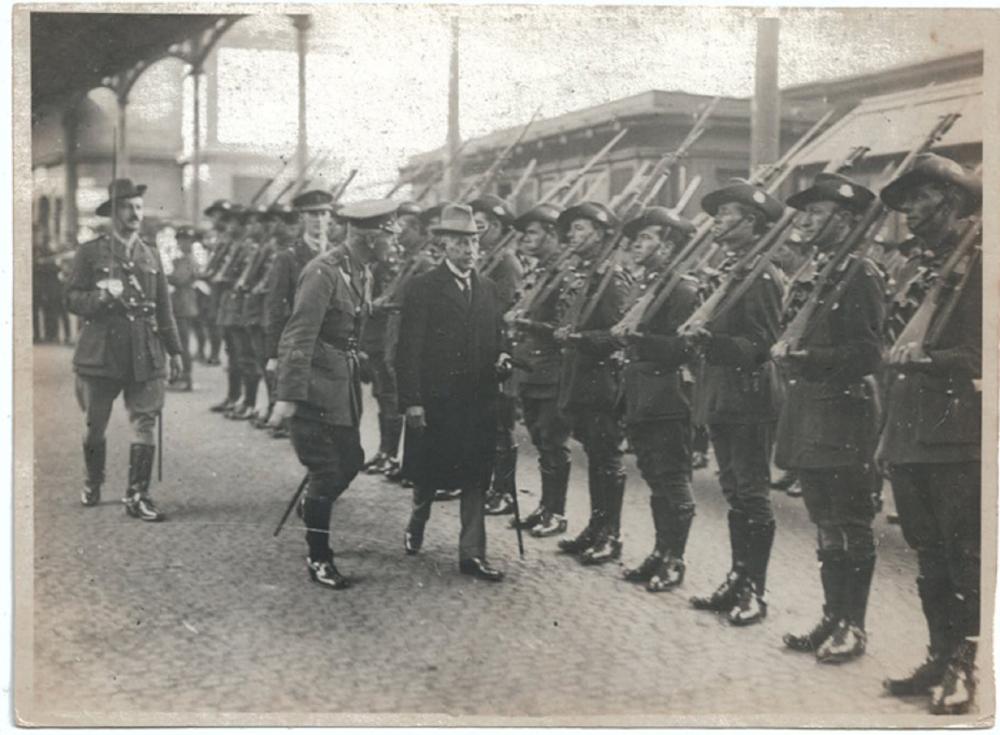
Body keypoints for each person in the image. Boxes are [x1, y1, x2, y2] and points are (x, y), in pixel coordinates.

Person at [877, 154, 982, 715]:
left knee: (963, 555)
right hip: (912, 432)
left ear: (952, 202)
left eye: (920, 200)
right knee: (929, 555)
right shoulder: (918, 267)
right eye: (907, 201)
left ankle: (967, 667)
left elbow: (982, 354)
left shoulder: (983, 267)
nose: (910, 212)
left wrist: (928, 359)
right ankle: (939, 656)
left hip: (956, 434)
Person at [771, 174, 884, 662]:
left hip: (843, 414)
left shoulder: (861, 273)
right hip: (808, 411)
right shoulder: (818, 271)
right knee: (823, 521)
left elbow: (866, 352)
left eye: (816, 214)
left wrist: (807, 355)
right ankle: (831, 617)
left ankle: (853, 627)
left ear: (843, 219)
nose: (806, 221)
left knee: (850, 521)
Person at [270, 199, 396, 589]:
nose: (395, 241)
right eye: (389, 234)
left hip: (340, 388)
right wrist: (287, 395)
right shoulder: (322, 272)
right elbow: (299, 333)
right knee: (326, 470)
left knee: (352, 459)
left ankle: (312, 508)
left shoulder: (362, 272)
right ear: (368, 236)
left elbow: (351, 326)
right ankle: (319, 557)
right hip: (311, 388)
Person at [686, 179, 783, 626]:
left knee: (751, 492)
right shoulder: (734, 270)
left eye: (727, 216)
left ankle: (755, 591)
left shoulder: (761, 275)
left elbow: (762, 343)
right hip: (722, 394)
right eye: (718, 214)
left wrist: (713, 341)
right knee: (733, 491)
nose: (718, 222)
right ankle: (737, 578)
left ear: (752, 222)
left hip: (747, 396)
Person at [396, 203, 508, 582]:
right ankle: (418, 518)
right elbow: (407, 350)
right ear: (443, 245)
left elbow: (498, 336)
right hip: (437, 401)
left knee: (476, 476)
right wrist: (412, 401)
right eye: (460, 243)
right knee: (429, 473)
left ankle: (471, 554)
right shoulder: (422, 288)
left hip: (479, 401)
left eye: (474, 241)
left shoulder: (489, 289)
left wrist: (504, 356)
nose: (469, 250)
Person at [66, 178, 182, 520]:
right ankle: (93, 479)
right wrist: (102, 297)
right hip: (100, 353)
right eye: (127, 208)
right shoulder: (90, 253)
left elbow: (164, 309)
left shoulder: (151, 254)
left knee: (145, 421)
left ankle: (137, 495)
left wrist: (175, 352)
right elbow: (70, 298)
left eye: (138, 208)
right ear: (112, 213)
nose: (134, 214)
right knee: (94, 425)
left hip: (145, 350)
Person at [615, 207, 699, 591]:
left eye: (647, 238)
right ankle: (659, 551)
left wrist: (637, 339)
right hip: (641, 394)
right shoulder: (649, 285)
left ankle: (675, 559)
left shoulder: (682, 289)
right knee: (652, 475)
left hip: (668, 397)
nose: (637, 244)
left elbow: (685, 348)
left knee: (673, 477)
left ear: (668, 247)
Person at [552, 201, 631, 566]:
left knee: (607, 458)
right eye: (572, 230)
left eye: (581, 229)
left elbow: (620, 336)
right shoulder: (582, 274)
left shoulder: (612, 279)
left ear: (600, 235)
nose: (572, 235)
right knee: (594, 457)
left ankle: (610, 535)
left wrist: (581, 340)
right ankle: (595, 527)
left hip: (602, 381)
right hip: (579, 377)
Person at [506, 203, 573, 538]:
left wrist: (528, 323)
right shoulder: (540, 271)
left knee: (553, 440)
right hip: (531, 369)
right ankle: (545, 506)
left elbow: (566, 325)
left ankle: (557, 512)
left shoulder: (566, 274)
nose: (525, 238)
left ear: (551, 234)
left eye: (532, 232)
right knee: (540, 439)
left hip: (553, 370)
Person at [468, 194, 524, 517]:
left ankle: (504, 492)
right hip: (481, 348)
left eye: (481, 227)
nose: (476, 234)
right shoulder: (484, 258)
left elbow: (507, 309)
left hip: (500, 349)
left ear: (498, 227)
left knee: (502, 425)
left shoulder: (507, 263)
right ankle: (491, 485)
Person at [264, 190, 334, 439]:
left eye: (324, 213)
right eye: (313, 214)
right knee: (306, 420)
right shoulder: (288, 257)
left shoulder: (339, 255)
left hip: (333, 348)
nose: (319, 219)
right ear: (302, 218)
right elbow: (275, 308)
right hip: (301, 348)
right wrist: (273, 353)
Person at [167, 225, 200, 391]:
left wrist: (165, 276)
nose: (181, 244)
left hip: (184, 304)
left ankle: (186, 377)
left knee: (182, 343)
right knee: (180, 341)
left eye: (184, 240)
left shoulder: (188, 260)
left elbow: (179, 279)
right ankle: (181, 376)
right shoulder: (181, 260)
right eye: (179, 240)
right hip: (181, 303)